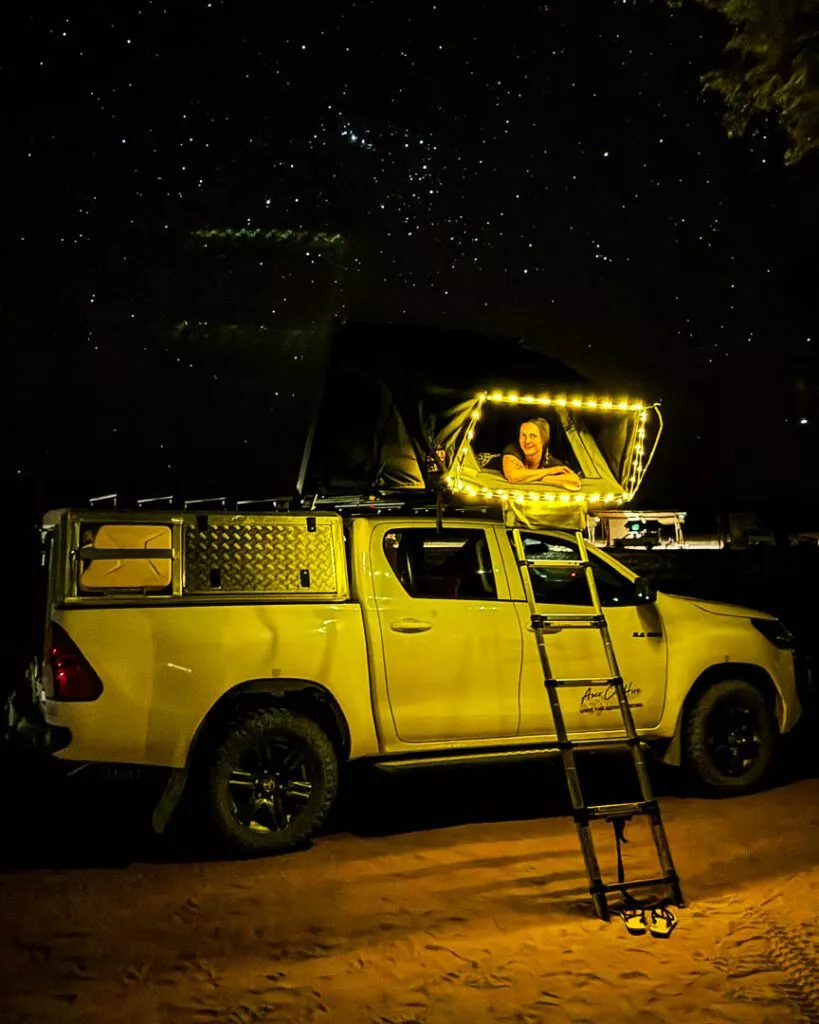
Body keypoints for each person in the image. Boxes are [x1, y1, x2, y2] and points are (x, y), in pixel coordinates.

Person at [502, 418, 582, 490]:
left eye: (533, 436)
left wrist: (535, 477)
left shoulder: (548, 460)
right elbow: (513, 476)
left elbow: (575, 481)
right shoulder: (513, 450)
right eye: (523, 435)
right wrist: (550, 471)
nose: (527, 441)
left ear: (543, 440)